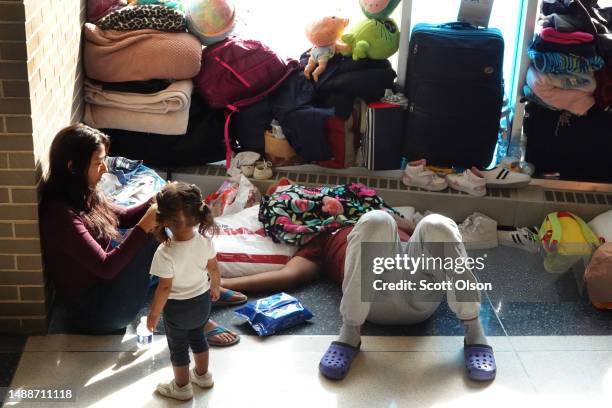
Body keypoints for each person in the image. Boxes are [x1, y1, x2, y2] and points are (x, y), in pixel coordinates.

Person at [222, 210, 497, 381]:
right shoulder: (326, 236)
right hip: (372, 299)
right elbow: (289, 275)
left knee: (437, 223)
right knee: (374, 221)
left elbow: (437, 243)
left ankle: (474, 332)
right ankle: (350, 333)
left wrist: (415, 225)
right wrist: (222, 283)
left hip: (419, 290)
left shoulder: (385, 218)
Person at [39, 124, 243, 345]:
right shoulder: (59, 214)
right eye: (98, 163)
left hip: (109, 288)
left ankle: (200, 289)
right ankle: (195, 313)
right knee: (157, 230)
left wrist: (156, 199)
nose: (105, 169)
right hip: (97, 313)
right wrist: (146, 224)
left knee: (162, 219)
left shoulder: (82, 192)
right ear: (73, 167)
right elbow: (105, 267)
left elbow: (122, 217)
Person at [147, 182, 219, 400]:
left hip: (178, 309)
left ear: (165, 220)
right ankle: (203, 375)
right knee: (199, 337)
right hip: (202, 302)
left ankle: (181, 388)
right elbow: (214, 268)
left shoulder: (165, 252)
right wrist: (215, 287)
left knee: (178, 348)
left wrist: (154, 314)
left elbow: (164, 287)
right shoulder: (205, 242)